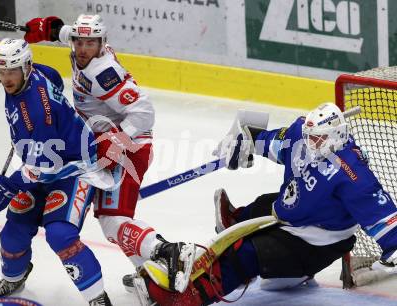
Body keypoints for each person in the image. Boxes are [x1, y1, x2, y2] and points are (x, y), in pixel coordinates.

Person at [131, 102, 397, 305]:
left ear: (337, 136)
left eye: (318, 139)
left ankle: (191, 296)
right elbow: (272, 140)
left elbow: (384, 220)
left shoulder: (353, 173)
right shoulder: (302, 135)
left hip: (317, 242)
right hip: (294, 214)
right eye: (309, 136)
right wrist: (245, 141)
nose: (310, 143)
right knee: (263, 204)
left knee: (245, 254)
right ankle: (237, 221)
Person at [22, 14, 195, 292]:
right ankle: (148, 270)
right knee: (111, 218)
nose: (82, 48)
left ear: (102, 44)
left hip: (131, 147)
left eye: (90, 43)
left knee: (113, 219)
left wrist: (117, 141)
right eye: (79, 41)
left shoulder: (102, 73)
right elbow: (70, 34)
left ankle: (168, 251)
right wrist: (51, 30)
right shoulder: (84, 49)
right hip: (110, 141)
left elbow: (144, 112)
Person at [0, 38, 113, 305]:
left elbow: (44, 168)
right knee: (13, 230)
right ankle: (14, 277)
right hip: (41, 164)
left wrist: (5, 187)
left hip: (73, 170)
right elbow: (52, 76)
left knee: (60, 234)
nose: (6, 78)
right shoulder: (30, 74)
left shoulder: (39, 111)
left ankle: (97, 298)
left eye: (11, 71)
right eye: (1, 71)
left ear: (26, 68)